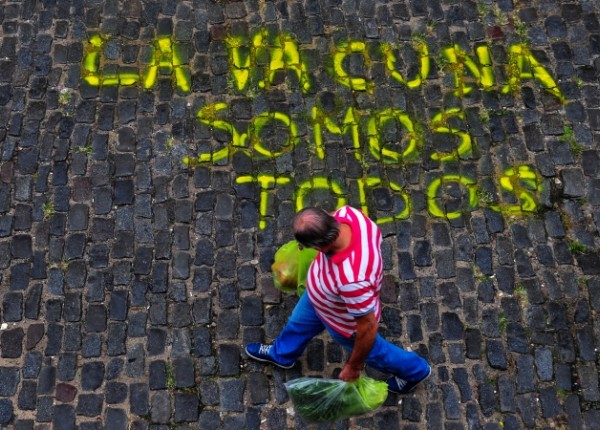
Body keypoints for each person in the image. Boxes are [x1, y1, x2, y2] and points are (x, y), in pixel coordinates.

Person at [245, 206, 431, 394]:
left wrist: (354, 366)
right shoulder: (349, 214)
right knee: (297, 324)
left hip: (342, 322)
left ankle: (415, 371)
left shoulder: (353, 281)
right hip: (319, 298)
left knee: (377, 354)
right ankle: (282, 354)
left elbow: (368, 328)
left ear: (322, 247)